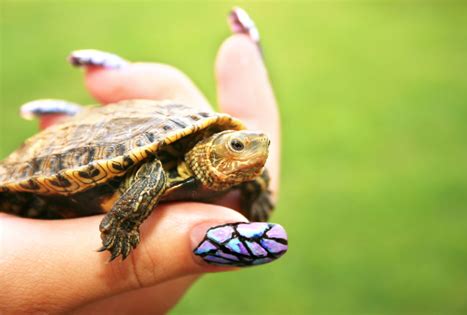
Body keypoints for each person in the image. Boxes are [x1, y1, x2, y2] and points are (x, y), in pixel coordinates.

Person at [0, 8, 286, 313]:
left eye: (260, 146)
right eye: (237, 145)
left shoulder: (230, 171)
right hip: (49, 188)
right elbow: (151, 169)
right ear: (210, 149)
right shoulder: (158, 167)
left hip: (77, 203)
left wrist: (257, 191)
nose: (255, 151)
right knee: (153, 173)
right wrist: (123, 223)